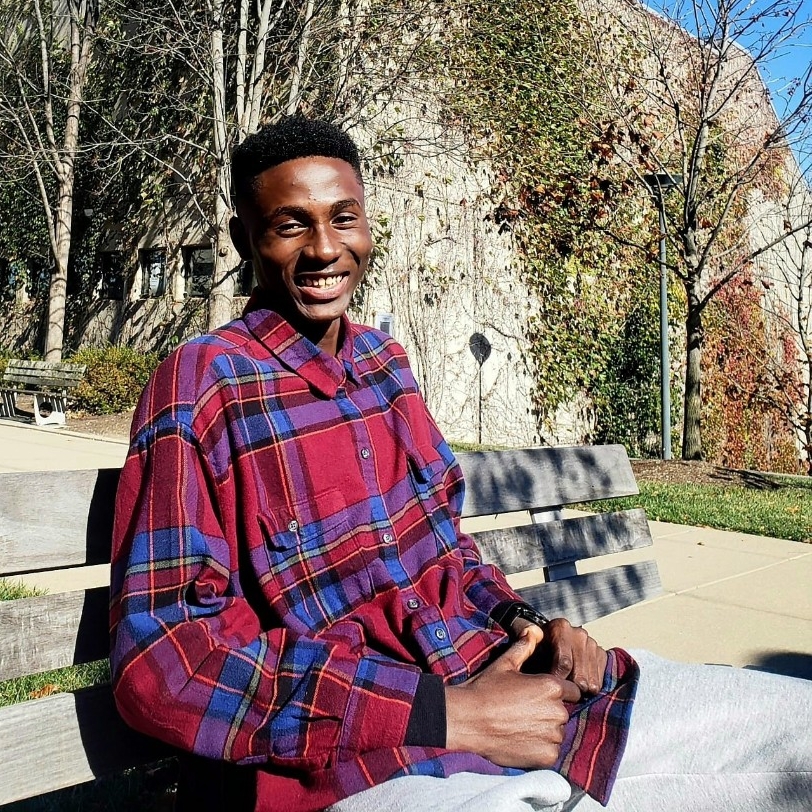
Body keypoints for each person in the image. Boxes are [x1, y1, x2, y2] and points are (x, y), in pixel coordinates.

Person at [110, 116, 812, 812]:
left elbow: (445, 553)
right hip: (364, 764)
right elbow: (165, 661)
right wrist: (444, 716)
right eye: (290, 225)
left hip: (519, 694)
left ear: (367, 226)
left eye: (343, 219)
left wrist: (530, 624)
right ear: (244, 239)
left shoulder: (384, 366)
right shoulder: (203, 383)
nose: (324, 248)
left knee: (797, 730)